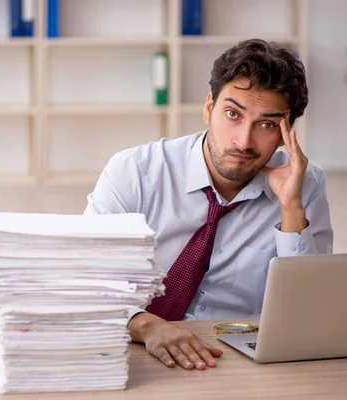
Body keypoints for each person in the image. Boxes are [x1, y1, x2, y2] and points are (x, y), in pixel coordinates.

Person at [84, 39, 333, 371]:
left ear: (287, 132)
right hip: (133, 346)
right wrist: (146, 325)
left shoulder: (304, 186)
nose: (243, 141)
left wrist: (291, 209)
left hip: (238, 359)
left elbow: (310, 311)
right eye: (233, 114)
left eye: (267, 124)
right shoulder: (135, 172)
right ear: (208, 108)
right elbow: (85, 281)